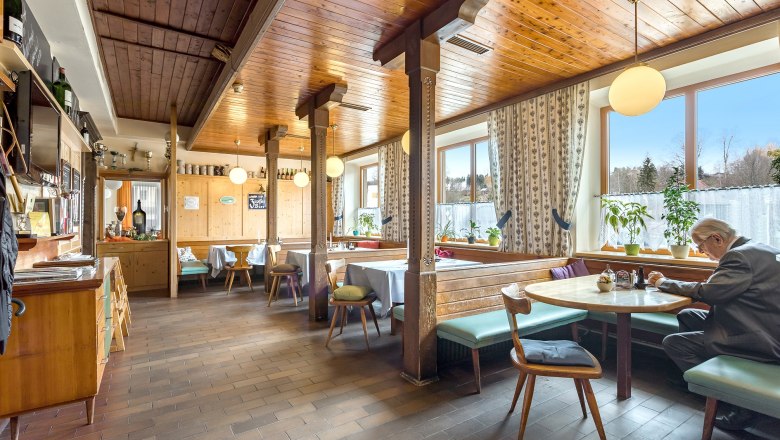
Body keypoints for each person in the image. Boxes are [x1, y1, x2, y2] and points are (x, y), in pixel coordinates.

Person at [647, 218, 780, 431]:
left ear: (716, 238)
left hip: (760, 337)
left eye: (700, 247)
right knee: (688, 314)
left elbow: (709, 292)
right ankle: (696, 373)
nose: (700, 252)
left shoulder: (738, 257)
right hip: (764, 322)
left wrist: (663, 282)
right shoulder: (760, 247)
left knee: (673, 343)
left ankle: (736, 402)